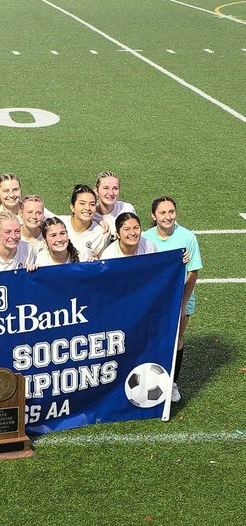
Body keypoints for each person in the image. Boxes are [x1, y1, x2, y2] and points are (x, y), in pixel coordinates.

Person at [142, 196, 202, 403]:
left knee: (176, 339)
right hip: (155, 300)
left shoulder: (188, 237)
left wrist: (182, 303)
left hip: (181, 298)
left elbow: (193, 273)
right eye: (162, 213)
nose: (168, 217)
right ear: (153, 215)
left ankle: (172, 383)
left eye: (171, 212)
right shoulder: (145, 238)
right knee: (152, 339)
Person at [59, 184, 109, 260]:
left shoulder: (101, 234)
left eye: (92, 204)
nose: (87, 208)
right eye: (82, 203)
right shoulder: (59, 224)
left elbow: (102, 261)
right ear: (72, 207)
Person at [93, 171, 136, 239]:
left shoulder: (127, 209)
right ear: (97, 190)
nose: (111, 193)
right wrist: (98, 221)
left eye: (115, 188)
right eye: (106, 188)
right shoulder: (90, 214)